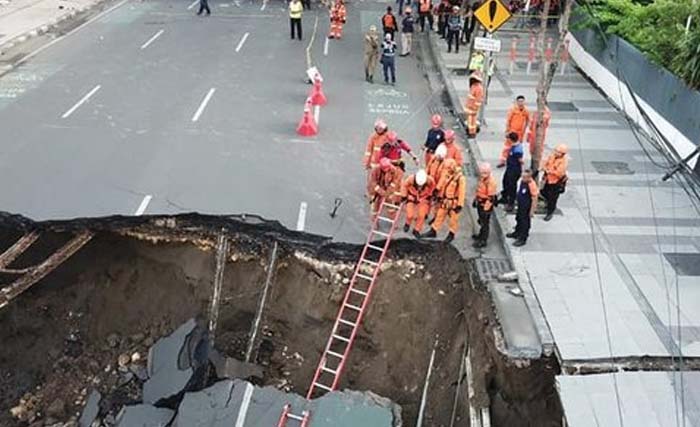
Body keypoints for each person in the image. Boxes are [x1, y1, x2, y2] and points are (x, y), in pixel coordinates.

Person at [423, 158, 466, 243]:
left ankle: (451, 234)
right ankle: (433, 230)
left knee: (453, 219)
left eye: (448, 168)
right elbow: (442, 184)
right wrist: (437, 192)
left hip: (454, 202)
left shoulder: (460, 178)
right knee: (440, 215)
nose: (447, 170)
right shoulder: (448, 173)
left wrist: (460, 205)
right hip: (445, 200)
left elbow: (462, 192)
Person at [506, 169, 538, 247]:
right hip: (521, 206)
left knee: (525, 222)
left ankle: (523, 238)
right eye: (522, 176)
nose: (522, 178)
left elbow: (534, 198)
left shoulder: (531, 185)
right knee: (518, 219)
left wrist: (532, 211)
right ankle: (517, 232)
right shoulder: (523, 182)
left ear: (529, 177)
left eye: (524, 177)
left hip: (526, 208)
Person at [401, 169, 436, 238]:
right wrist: (404, 196)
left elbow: (433, 186)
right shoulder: (410, 179)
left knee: (421, 215)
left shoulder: (430, 180)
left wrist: (429, 194)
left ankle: (416, 230)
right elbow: (404, 186)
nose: (419, 187)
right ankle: (407, 224)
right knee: (410, 214)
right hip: (412, 196)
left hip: (423, 198)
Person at [472, 162, 497, 248]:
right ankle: (480, 235)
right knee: (482, 222)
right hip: (480, 203)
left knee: (485, 223)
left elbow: (490, 198)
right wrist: (476, 200)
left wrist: (486, 209)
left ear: (489, 172)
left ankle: (483, 240)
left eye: (485, 173)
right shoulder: (483, 179)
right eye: (482, 173)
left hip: (485, 206)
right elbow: (479, 190)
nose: (483, 175)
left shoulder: (491, 182)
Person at [540, 144, 568, 221]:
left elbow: (559, 173)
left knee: (553, 198)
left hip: (555, 182)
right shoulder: (552, 156)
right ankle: (548, 204)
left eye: (558, 152)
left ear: (562, 154)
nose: (556, 152)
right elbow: (546, 163)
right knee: (544, 192)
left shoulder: (563, 162)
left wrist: (549, 171)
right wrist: (544, 168)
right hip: (548, 180)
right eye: (556, 151)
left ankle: (550, 212)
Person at [499, 95, 529, 167]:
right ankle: (503, 161)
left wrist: (524, 130)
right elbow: (508, 120)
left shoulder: (526, 111)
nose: (521, 103)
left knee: (518, 147)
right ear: (517, 102)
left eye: (522, 101)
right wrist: (507, 131)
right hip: (512, 131)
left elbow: (527, 120)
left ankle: (518, 159)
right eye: (519, 101)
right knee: (507, 147)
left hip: (520, 132)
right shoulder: (513, 110)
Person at [499, 132, 524, 212]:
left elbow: (520, 161)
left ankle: (511, 203)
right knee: (505, 181)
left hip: (514, 170)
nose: (507, 140)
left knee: (512, 186)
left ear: (511, 139)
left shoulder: (517, 150)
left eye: (508, 139)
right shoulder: (513, 147)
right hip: (509, 168)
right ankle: (504, 197)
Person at [464, 71, 483, 138]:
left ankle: (472, 133)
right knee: (470, 120)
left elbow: (478, 100)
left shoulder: (478, 88)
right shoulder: (474, 86)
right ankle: (470, 131)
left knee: (472, 121)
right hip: (470, 107)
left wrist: (475, 107)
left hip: (472, 108)